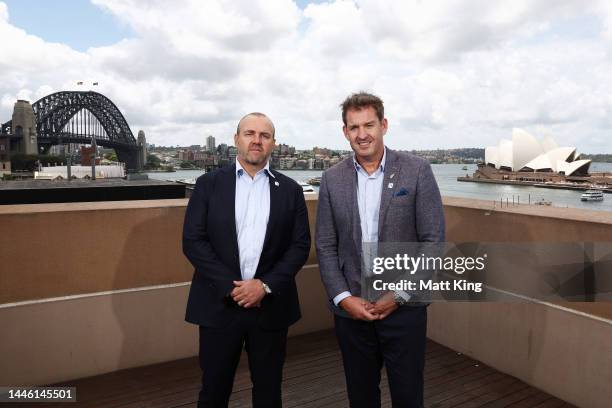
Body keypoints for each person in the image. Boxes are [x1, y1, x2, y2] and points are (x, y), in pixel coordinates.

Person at [315, 92, 445, 408]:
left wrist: (398, 296)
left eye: (369, 125)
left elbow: (433, 242)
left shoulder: (417, 170)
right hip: (352, 312)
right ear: (345, 131)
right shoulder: (332, 179)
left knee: (408, 395)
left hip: (405, 310)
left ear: (383, 125)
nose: (362, 134)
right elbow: (326, 245)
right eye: (354, 127)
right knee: (361, 396)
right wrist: (344, 298)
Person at [183, 112, 311, 408]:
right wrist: (234, 288)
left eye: (264, 136)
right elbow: (193, 240)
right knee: (214, 390)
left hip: (270, 307)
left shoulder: (291, 190)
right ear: (236, 139)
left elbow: (299, 245)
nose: (257, 140)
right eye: (250, 133)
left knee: (268, 391)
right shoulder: (208, 184)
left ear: (273, 144)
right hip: (219, 305)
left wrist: (263, 286)